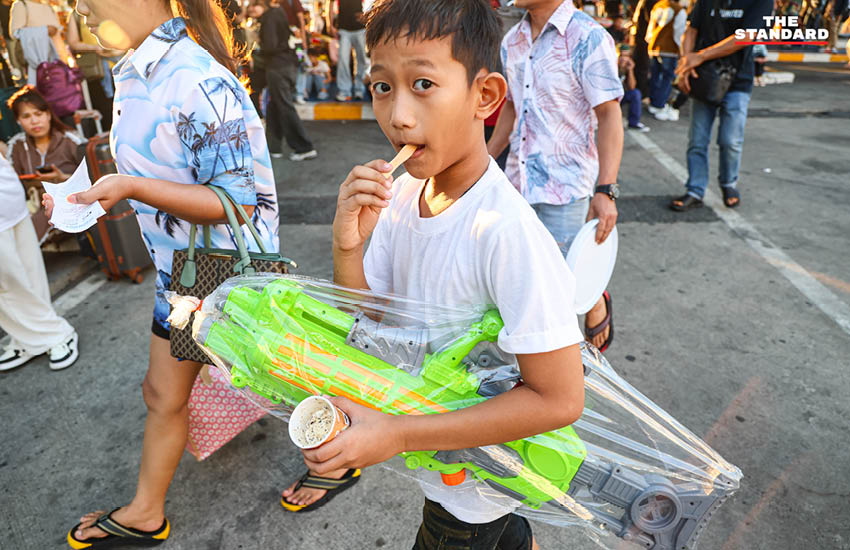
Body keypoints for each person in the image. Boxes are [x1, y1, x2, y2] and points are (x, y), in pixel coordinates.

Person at [293, 2, 585, 548]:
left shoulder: (506, 233)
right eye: (382, 87)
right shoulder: (404, 193)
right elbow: (371, 318)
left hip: (471, 489)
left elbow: (559, 399)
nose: (398, 115)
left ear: (486, 97)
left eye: (423, 83)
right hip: (443, 465)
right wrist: (347, 247)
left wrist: (398, 434)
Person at [44, 1, 280, 547]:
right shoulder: (136, 71)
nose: (80, 8)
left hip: (228, 282)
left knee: (295, 383)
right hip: (182, 279)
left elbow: (238, 202)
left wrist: (129, 188)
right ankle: (146, 511)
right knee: (161, 393)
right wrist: (90, 191)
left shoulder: (193, 78)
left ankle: (344, 452)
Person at [487, 0, 624, 353]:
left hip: (565, 185)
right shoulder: (512, 40)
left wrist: (607, 191)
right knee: (525, 280)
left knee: (560, 289)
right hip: (517, 182)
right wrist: (486, 162)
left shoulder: (588, 37)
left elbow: (609, 116)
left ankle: (591, 307)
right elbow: (513, 108)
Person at [670, 0, 773, 211]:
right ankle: (695, 190)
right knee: (697, 140)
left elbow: (745, 37)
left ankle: (728, 183)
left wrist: (700, 56)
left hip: (738, 80)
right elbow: (691, 29)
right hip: (704, 77)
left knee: (730, 141)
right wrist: (686, 63)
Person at [0, 142, 79, 373]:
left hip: (7, 197)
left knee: (10, 282)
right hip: (8, 191)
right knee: (22, 274)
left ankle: (55, 335)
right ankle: (27, 339)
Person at [258, 0, 318, 160]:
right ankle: (274, 147)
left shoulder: (270, 17)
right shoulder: (281, 13)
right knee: (274, 106)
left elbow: (270, 46)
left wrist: (257, 49)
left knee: (284, 106)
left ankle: (304, 147)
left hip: (278, 67)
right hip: (288, 66)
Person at [6, 86, 85, 183]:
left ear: (48, 115)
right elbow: (13, 183)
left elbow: (93, 177)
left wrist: (62, 177)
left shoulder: (72, 141)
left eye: (38, 114)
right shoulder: (17, 146)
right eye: (26, 116)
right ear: (18, 120)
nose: (34, 121)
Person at [645, 0, 686, 121]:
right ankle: (659, 104)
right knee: (667, 78)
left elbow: (650, 28)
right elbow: (678, 33)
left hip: (654, 45)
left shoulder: (658, 5)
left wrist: (650, 41)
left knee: (655, 76)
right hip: (669, 49)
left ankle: (654, 102)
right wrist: (681, 51)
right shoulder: (679, 10)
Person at [332, 0, 368, 101]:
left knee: (361, 59)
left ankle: (359, 89)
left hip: (360, 28)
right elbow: (330, 3)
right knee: (343, 60)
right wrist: (329, 23)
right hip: (343, 28)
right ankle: (344, 91)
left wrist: (367, 15)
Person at [620, 48, 651, 131]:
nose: (623, 58)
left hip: (620, 97)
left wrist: (630, 70)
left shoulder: (628, 68)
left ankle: (634, 123)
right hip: (608, 98)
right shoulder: (610, 66)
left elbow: (632, 87)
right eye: (621, 55)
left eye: (626, 56)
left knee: (636, 93)